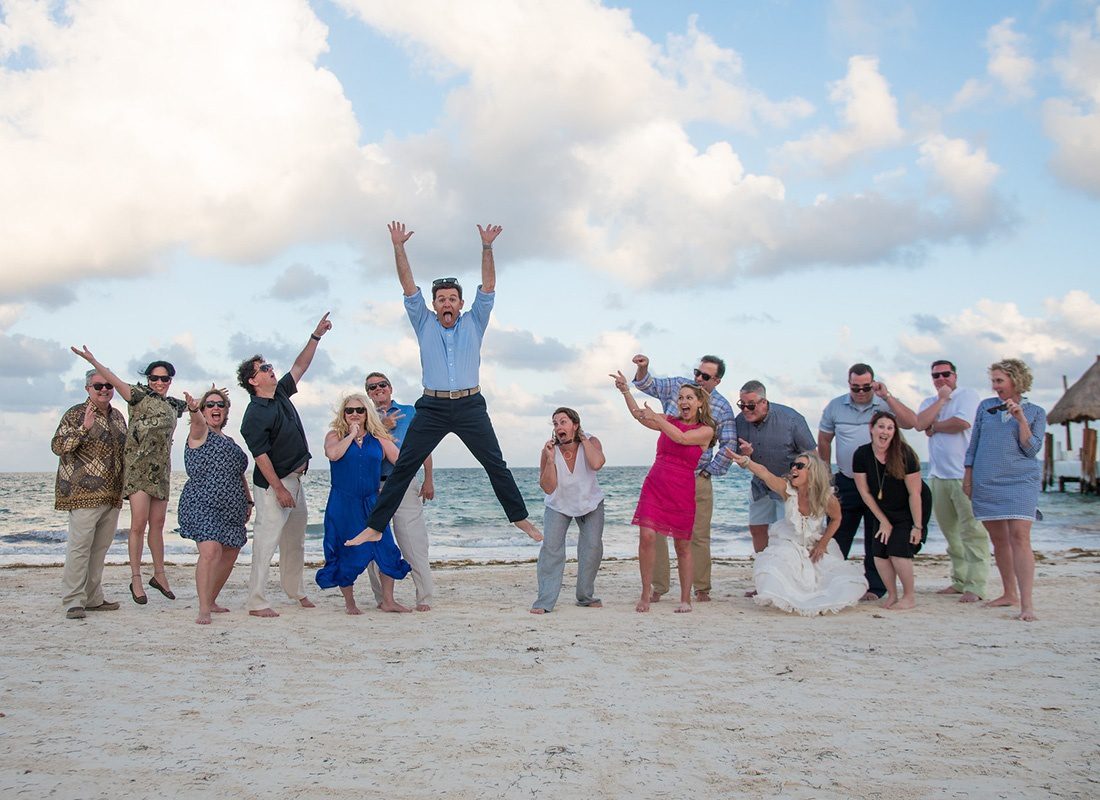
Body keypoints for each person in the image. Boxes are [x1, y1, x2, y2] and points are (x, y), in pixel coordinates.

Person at [346, 222, 541, 547]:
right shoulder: (423, 322)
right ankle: (376, 526)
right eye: (441, 299)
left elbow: (489, 286)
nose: (447, 303)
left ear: (460, 305)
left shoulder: (475, 322)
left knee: (495, 463)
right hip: (433, 406)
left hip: (470, 405)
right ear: (434, 305)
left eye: (452, 299)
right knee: (406, 464)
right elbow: (409, 287)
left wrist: (487, 247)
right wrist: (398, 247)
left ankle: (520, 518)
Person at [71, 346, 187, 604]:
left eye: (164, 378)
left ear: (170, 381)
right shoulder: (137, 395)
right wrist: (93, 359)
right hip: (138, 470)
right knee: (138, 525)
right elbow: (112, 379)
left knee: (157, 526)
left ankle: (159, 575)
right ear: (148, 379)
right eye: (154, 378)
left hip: (162, 471)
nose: (159, 382)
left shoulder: (172, 404)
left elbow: (194, 405)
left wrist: (210, 398)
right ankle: (135, 579)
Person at [237, 313, 332, 618]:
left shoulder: (278, 392)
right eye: (263, 368)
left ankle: (296, 590)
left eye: (269, 365)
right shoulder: (254, 414)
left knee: (295, 540)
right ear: (253, 380)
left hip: (296, 480)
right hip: (273, 485)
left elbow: (300, 366)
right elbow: (260, 456)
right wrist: (278, 489)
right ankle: (256, 601)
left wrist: (315, 336)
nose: (270, 369)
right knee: (266, 543)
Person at [631, 353, 734, 603]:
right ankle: (658, 587)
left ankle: (701, 588)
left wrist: (709, 470)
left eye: (705, 376)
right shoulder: (679, 386)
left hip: (696, 477)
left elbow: (729, 443)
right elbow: (648, 385)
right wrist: (643, 369)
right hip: (664, 475)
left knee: (695, 536)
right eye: (697, 372)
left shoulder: (722, 408)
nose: (698, 378)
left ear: (716, 381)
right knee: (654, 534)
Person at [612, 370, 716, 613]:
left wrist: (659, 420)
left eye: (689, 397)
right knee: (647, 537)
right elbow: (639, 415)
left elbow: (681, 438)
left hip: (681, 489)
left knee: (683, 546)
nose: (683, 402)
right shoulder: (668, 420)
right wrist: (626, 390)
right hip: (656, 483)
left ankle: (685, 599)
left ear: (699, 402)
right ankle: (645, 594)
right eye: (680, 398)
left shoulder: (706, 431)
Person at [888, 360, 987, 602]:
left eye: (945, 374)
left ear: (955, 375)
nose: (941, 379)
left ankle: (976, 585)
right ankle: (959, 580)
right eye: (936, 376)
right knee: (951, 534)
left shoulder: (967, 395)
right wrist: (941, 401)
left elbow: (962, 423)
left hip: (964, 474)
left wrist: (936, 425)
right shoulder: (929, 402)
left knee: (973, 532)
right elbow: (920, 424)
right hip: (938, 476)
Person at [727, 449, 867, 615]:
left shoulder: (826, 497)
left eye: (800, 466)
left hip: (813, 543)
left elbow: (836, 519)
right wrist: (746, 462)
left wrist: (823, 544)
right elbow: (765, 474)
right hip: (789, 542)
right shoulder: (787, 490)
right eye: (793, 465)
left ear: (812, 471)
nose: (794, 469)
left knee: (835, 580)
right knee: (774, 565)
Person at [817, 363, 913, 600]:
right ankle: (831, 581)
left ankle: (875, 588)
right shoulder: (836, 406)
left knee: (877, 534)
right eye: (855, 387)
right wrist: (827, 474)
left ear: (874, 383)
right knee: (838, 533)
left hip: (881, 482)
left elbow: (911, 423)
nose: (861, 392)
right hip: (847, 479)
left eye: (865, 387)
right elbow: (825, 440)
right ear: (849, 384)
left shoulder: (883, 403)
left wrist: (887, 396)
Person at [964, 358, 1046, 622]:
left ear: (1016, 381)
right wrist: (968, 477)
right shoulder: (985, 407)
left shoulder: (1036, 412)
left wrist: (1020, 418)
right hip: (987, 481)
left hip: (1021, 482)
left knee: (1020, 537)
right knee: (999, 540)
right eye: (994, 381)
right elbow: (974, 444)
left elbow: (1031, 449)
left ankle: (1027, 605)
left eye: (999, 380)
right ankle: (1009, 593)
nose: (995, 386)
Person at [318, 394, 411, 614]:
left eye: (360, 410)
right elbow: (333, 454)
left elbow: (401, 461)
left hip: (371, 502)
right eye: (349, 411)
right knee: (344, 549)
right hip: (343, 503)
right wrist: (351, 435)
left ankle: (388, 600)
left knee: (386, 548)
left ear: (367, 413)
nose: (355, 414)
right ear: (343, 414)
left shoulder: (378, 438)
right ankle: (350, 603)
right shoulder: (335, 435)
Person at [51, 369, 128, 619]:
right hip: (82, 493)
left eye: (108, 385)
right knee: (79, 547)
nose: (104, 389)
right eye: (98, 386)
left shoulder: (117, 416)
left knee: (100, 549)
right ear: (87, 389)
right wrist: (84, 429)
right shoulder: (75, 414)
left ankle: (93, 598)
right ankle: (73, 600)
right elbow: (58, 446)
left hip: (112, 493)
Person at [177, 387, 252, 624]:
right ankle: (203, 608)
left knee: (230, 552)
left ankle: (211, 599)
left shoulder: (229, 441)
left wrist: (248, 499)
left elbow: (239, 473)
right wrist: (193, 409)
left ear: (227, 410)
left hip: (233, 504)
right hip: (202, 501)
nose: (215, 408)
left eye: (220, 404)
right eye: (209, 405)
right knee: (210, 551)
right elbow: (197, 421)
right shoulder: (200, 432)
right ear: (202, 410)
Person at [364, 371, 435, 611]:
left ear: (390, 387)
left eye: (382, 385)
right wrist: (380, 427)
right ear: (368, 394)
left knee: (413, 541)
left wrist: (429, 479)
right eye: (372, 387)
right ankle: (382, 598)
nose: (378, 389)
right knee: (375, 543)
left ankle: (424, 597)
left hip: (404, 482)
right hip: (373, 486)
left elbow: (424, 445)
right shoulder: (363, 417)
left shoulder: (411, 412)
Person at [851, 411, 932, 610]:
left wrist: (917, 526)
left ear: (894, 432)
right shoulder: (862, 454)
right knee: (879, 552)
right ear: (872, 428)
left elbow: (915, 494)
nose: (885, 432)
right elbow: (865, 493)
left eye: (890, 428)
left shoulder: (905, 453)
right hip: (882, 509)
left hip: (909, 508)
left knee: (898, 552)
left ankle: (909, 596)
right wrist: (884, 521)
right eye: (881, 427)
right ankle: (893, 595)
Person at [531, 407, 606, 614]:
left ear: (575, 424)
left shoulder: (592, 442)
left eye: (563, 422)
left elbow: (597, 463)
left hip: (590, 503)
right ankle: (545, 601)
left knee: (592, 548)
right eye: (555, 423)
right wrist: (549, 459)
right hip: (558, 505)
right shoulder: (548, 450)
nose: (558, 427)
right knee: (551, 550)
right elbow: (548, 487)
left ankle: (585, 596)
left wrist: (582, 438)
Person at [733, 380, 816, 555]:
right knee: (757, 528)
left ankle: (788, 567)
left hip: (788, 489)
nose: (746, 410)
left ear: (764, 402)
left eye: (751, 405)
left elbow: (812, 456)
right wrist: (746, 456)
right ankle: (764, 565)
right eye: (742, 405)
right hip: (759, 486)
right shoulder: (740, 421)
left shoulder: (792, 419)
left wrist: (806, 490)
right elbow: (739, 461)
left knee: (786, 535)